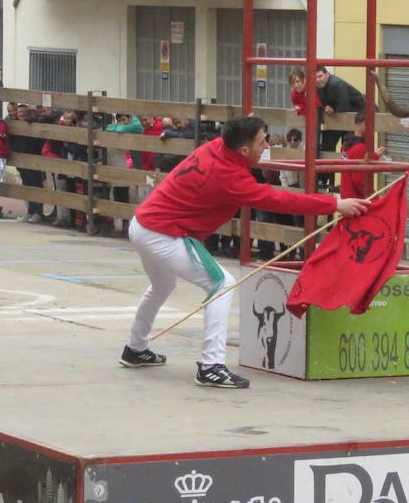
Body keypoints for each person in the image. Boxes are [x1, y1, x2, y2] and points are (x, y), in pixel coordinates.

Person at [118, 114, 369, 388]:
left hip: (143, 225)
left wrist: (245, 122)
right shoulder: (230, 177)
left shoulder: (216, 146)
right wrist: (334, 204)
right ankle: (211, 366)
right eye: (262, 142)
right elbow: (280, 199)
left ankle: (135, 348)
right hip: (164, 233)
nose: (267, 146)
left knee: (162, 286)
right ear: (244, 149)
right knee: (221, 284)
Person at [314, 66, 364, 155]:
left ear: (327, 74)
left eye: (320, 76)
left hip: (354, 116)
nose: (318, 80)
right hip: (338, 116)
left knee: (348, 147)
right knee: (327, 146)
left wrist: (333, 110)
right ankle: (327, 167)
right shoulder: (318, 87)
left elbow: (344, 107)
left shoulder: (336, 84)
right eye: (315, 77)